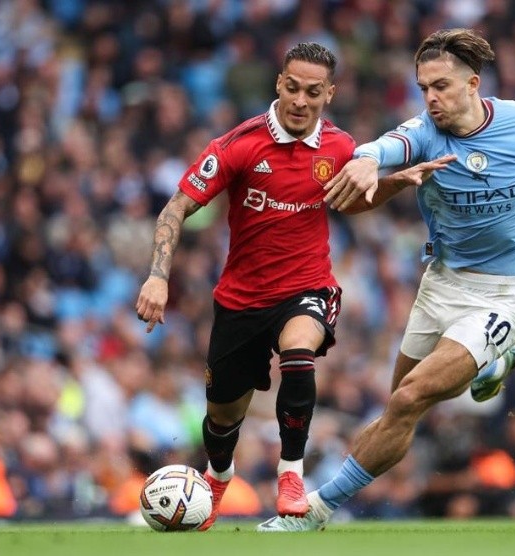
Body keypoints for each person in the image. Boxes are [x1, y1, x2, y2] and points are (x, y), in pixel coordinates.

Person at [256, 28, 515, 532]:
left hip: (501, 295)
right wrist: (365, 162)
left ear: (473, 83)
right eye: (423, 87)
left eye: (441, 86)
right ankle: (498, 359)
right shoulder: (424, 132)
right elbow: (383, 146)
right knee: (397, 412)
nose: (431, 98)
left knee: (409, 397)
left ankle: (316, 509)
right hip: (440, 285)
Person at [135, 42, 357, 530]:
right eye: (293, 87)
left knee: (300, 353)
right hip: (240, 301)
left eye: (313, 92)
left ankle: (291, 473)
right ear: (279, 84)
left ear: (329, 94)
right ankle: (217, 478)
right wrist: (157, 275)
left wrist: (401, 179)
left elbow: (364, 197)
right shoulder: (239, 144)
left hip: (307, 287)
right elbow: (176, 206)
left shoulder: (341, 148)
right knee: (221, 421)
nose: (300, 100)